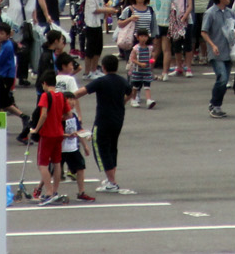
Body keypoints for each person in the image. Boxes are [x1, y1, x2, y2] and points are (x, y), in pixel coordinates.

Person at [75, 55, 134, 195]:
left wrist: (64, 97)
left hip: (103, 120)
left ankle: (112, 182)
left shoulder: (101, 81)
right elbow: (131, 92)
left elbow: (81, 92)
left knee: (101, 149)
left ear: (104, 67)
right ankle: (110, 179)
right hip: (118, 119)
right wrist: (122, 102)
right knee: (112, 148)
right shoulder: (122, 81)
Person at [31, 71, 72, 205]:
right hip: (59, 133)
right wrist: (59, 118)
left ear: (44, 83)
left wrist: (36, 129)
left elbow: (43, 115)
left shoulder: (45, 96)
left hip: (47, 134)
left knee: (42, 164)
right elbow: (69, 114)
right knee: (56, 163)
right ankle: (55, 191)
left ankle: (48, 192)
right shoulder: (61, 96)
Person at [202, 0, 235, 118]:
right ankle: (215, 105)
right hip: (216, 51)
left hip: (229, 50)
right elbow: (204, 32)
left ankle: (215, 104)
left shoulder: (230, 12)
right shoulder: (210, 13)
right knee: (222, 78)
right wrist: (212, 45)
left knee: (224, 79)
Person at [79, 0, 114, 75]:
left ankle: (94, 70)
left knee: (98, 48)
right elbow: (94, 9)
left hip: (97, 23)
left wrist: (105, 8)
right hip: (91, 24)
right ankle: (87, 72)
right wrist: (108, 9)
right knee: (91, 49)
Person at [129, 27, 157, 108]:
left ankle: (149, 100)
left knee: (147, 85)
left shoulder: (150, 48)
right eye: (141, 36)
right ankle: (133, 99)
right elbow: (133, 59)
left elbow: (152, 56)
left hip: (147, 70)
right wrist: (140, 63)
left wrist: (152, 59)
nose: (143, 38)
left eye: (145, 36)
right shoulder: (136, 48)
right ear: (137, 37)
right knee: (135, 86)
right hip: (138, 70)